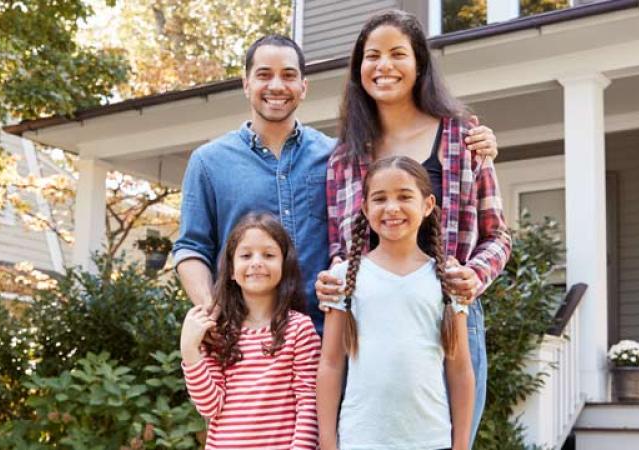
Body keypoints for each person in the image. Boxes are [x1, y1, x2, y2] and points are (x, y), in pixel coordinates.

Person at [172, 34, 498, 335]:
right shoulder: (209, 161)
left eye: (288, 75)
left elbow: (395, 175)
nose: (276, 85)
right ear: (246, 84)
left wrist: (478, 143)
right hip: (247, 337)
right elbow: (191, 248)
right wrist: (212, 311)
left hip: (328, 332)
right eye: (263, 75)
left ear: (303, 86)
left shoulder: (340, 155)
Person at [314, 10, 512, 446]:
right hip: (368, 323)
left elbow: (498, 236)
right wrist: (332, 279)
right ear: (358, 69)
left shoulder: (463, 137)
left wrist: (472, 277)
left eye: (397, 54)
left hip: (447, 316)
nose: (384, 66)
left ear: (419, 64)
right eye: (372, 56)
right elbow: (339, 247)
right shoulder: (345, 157)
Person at [316, 156, 473, 450]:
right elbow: (331, 363)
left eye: (404, 196)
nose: (391, 208)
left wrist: (461, 444)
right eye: (379, 198)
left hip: (430, 440)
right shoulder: (343, 277)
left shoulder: (448, 279)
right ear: (365, 208)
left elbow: (460, 368)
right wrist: (327, 441)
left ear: (427, 205)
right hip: (360, 440)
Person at [181, 212, 321, 450]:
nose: (257, 262)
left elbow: (308, 405)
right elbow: (209, 406)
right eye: (246, 255)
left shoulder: (300, 329)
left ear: (284, 266)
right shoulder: (219, 333)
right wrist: (189, 350)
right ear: (232, 270)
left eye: (268, 255)